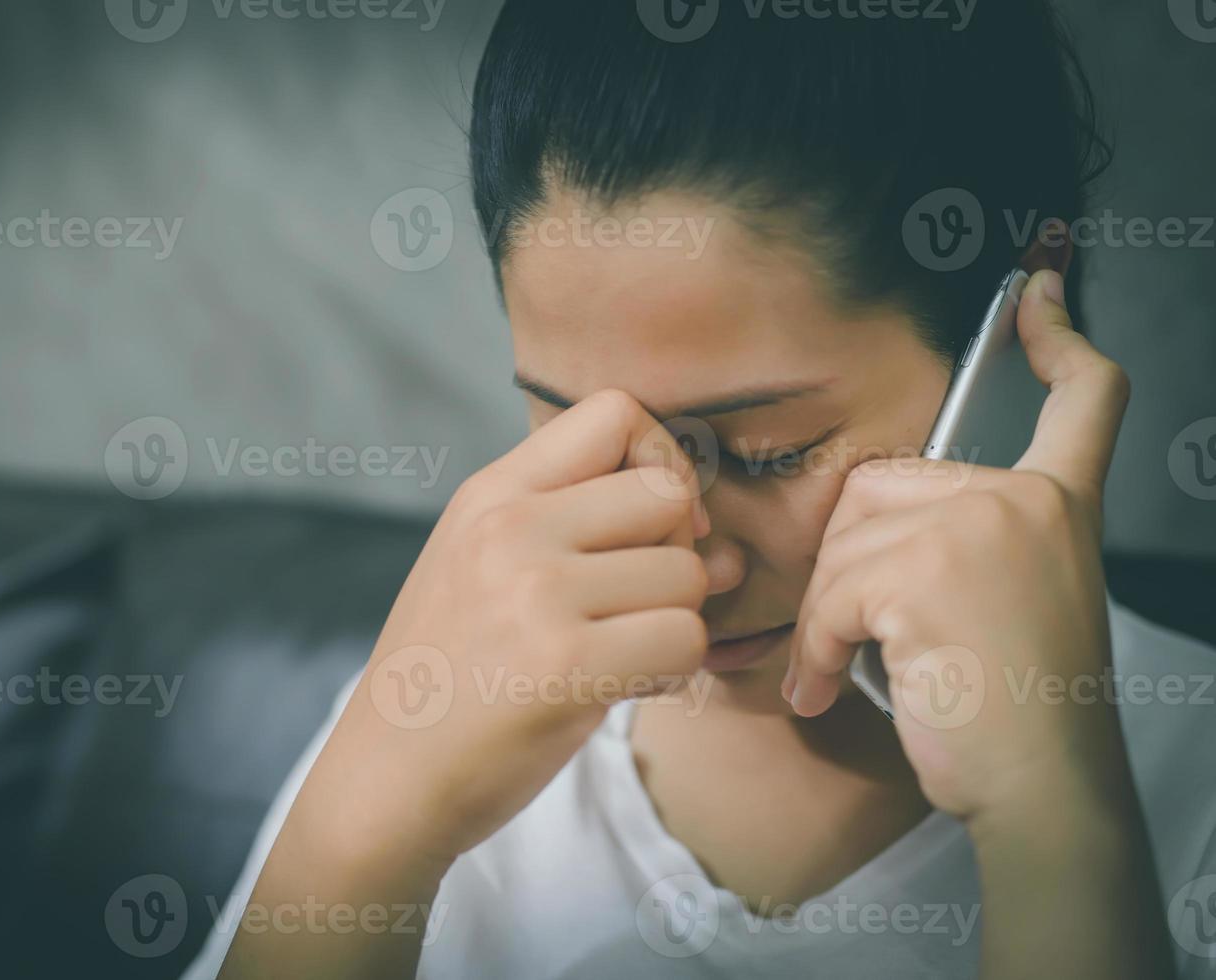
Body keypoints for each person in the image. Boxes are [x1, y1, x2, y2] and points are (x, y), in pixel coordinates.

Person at [186, 3, 1215, 976]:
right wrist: (358, 830)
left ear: (1017, 334)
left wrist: (1058, 827)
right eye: (575, 425)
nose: (689, 555)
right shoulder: (434, 715)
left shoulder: (1191, 782)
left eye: (769, 449)